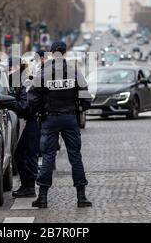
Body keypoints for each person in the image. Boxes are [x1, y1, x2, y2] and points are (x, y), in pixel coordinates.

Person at [28, 41, 93, 209]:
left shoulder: (43, 73)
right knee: (75, 156)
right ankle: (81, 197)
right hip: (70, 118)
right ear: (65, 53)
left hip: (49, 119)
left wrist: (36, 110)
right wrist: (78, 107)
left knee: (48, 156)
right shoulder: (74, 71)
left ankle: (42, 197)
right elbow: (86, 100)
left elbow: (32, 99)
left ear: (51, 53)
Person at [8, 57, 41, 198]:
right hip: (32, 121)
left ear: (17, 67)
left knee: (27, 155)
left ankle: (30, 188)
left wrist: (12, 103)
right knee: (21, 154)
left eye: (11, 68)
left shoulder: (25, 80)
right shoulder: (21, 79)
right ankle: (26, 186)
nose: (9, 71)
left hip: (34, 121)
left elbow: (24, 106)